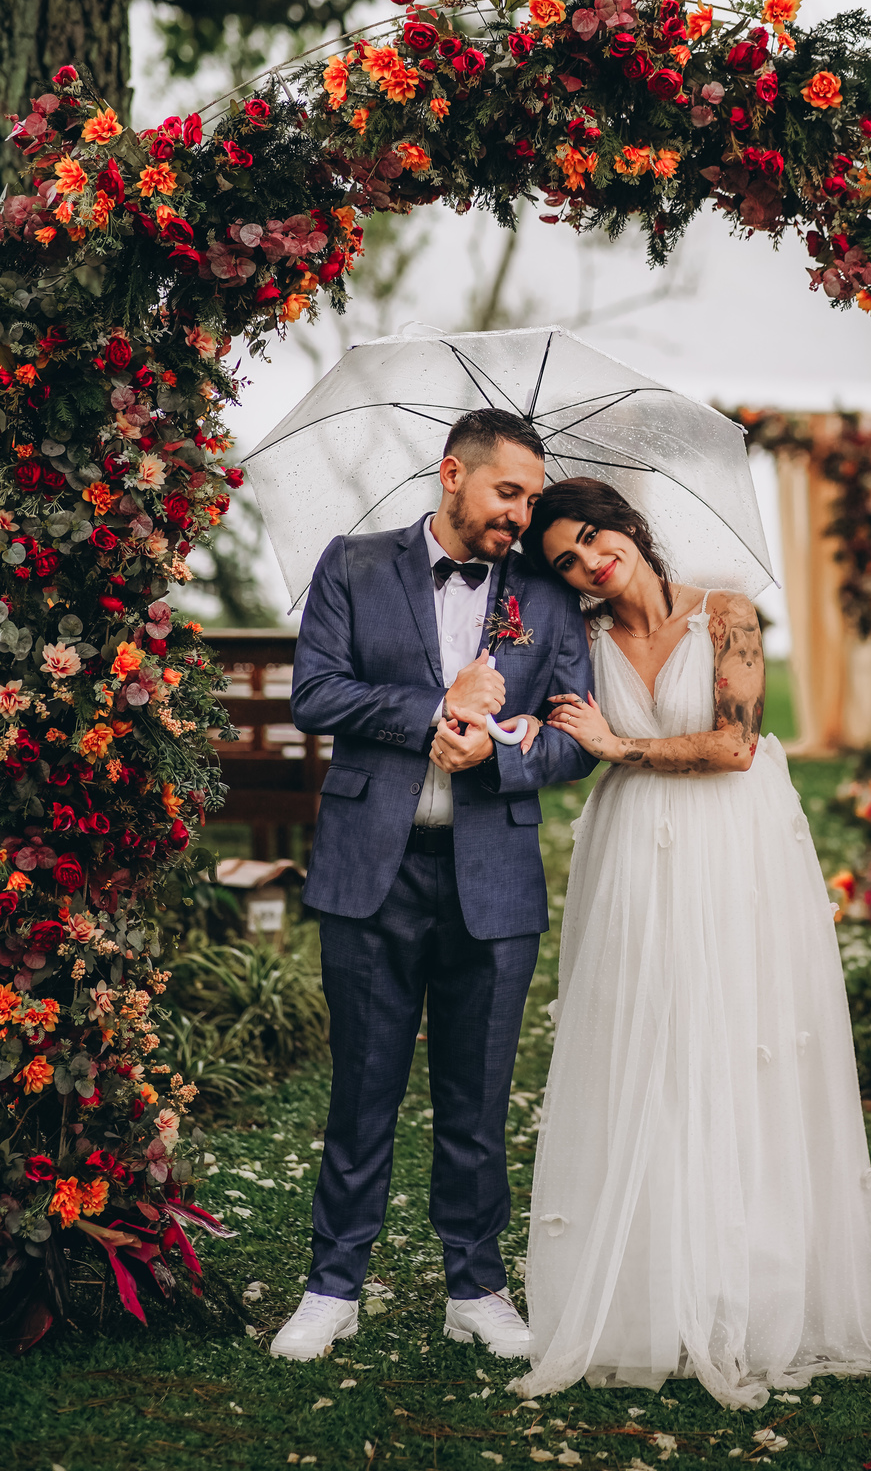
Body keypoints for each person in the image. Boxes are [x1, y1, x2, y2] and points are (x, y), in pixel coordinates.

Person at [509, 477, 871, 1407]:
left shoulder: (726, 613)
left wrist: (619, 748)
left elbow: (735, 747)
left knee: (737, 1043)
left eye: (593, 537)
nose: (588, 562)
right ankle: (647, 1292)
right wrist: (525, 719)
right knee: (642, 1047)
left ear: (626, 524)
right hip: (630, 856)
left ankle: (745, 1290)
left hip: (734, 847)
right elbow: (559, 736)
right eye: (565, 560)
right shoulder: (578, 638)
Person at [269, 411, 596, 1363]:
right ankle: (333, 1287)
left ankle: (476, 1287)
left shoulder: (546, 593)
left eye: (532, 499)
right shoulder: (353, 564)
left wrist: (498, 754)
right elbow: (314, 693)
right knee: (361, 1089)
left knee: (478, 1096)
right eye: (508, 493)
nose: (522, 514)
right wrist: (432, 712)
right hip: (371, 866)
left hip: (492, 876)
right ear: (453, 474)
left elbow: (574, 738)